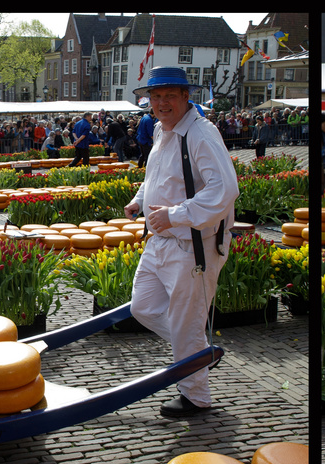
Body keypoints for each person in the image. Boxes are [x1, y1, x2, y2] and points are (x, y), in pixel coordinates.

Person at [124, 67, 240, 419]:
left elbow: (224, 190)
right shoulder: (162, 130)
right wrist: (140, 199)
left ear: (186, 97)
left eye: (169, 96)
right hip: (161, 241)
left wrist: (175, 215)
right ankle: (198, 354)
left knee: (187, 324)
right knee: (141, 307)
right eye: (156, 97)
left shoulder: (202, 134)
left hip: (193, 246)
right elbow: (158, 176)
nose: (161, 103)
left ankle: (196, 397)